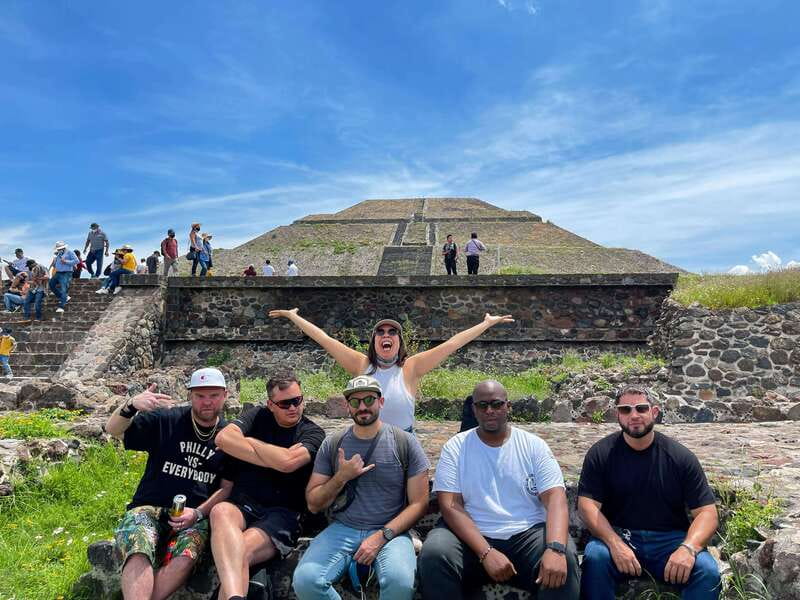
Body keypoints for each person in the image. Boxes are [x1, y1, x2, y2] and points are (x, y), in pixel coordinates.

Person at [419, 380, 580, 600]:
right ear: (474, 410)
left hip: (527, 534)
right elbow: (450, 505)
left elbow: (555, 499)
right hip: (472, 536)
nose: (490, 411)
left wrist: (555, 549)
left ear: (508, 406)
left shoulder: (533, 445)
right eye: (482, 405)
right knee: (435, 553)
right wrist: (485, 552)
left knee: (565, 559)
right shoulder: (456, 447)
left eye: (496, 404)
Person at [293, 375, 430, 600]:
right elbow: (314, 503)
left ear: (381, 402)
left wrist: (381, 536)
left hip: (390, 530)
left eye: (369, 399)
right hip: (343, 528)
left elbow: (419, 503)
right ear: (347, 406)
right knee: (306, 580)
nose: (363, 407)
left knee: (400, 583)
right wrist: (341, 477)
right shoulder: (333, 444)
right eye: (355, 402)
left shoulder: (404, 442)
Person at [578, 385, 721, 600]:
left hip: (670, 541)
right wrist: (615, 543)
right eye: (626, 410)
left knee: (707, 571)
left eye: (641, 409)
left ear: (654, 412)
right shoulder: (601, 454)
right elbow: (587, 506)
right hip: (620, 534)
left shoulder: (680, 458)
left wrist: (689, 548)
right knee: (595, 557)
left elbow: (707, 513)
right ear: (618, 414)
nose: (634, 415)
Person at [267, 310, 513, 432]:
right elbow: (324, 338)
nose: (387, 336)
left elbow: (452, 344)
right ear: (374, 341)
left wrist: (486, 323)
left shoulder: (412, 367)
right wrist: (293, 317)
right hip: (369, 439)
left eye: (392, 332)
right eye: (381, 332)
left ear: (399, 340)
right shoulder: (362, 366)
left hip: (405, 441)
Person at [105, 368, 233, 600]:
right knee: (138, 544)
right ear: (190, 396)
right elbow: (113, 430)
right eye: (200, 396)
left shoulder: (229, 436)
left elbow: (227, 487)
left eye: (213, 395)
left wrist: (198, 513)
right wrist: (130, 405)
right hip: (148, 506)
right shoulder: (167, 420)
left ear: (225, 395)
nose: (207, 402)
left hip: (192, 514)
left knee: (187, 554)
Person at [212, 372, 325, 600]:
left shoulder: (312, 432)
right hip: (244, 504)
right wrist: (274, 456)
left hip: (282, 514)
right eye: (285, 403)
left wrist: (250, 442)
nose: (293, 407)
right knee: (220, 510)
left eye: (298, 400)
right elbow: (223, 438)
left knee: (239, 551)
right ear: (270, 405)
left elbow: (288, 463)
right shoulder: (257, 416)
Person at [49, 241, 78, 314]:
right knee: (51, 284)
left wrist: (66, 261)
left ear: (64, 247)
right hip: (58, 272)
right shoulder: (58, 254)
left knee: (64, 288)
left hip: (66, 273)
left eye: (60, 248)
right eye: (58, 249)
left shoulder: (70, 252)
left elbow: (76, 261)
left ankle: (61, 306)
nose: (59, 250)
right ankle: (64, 297)